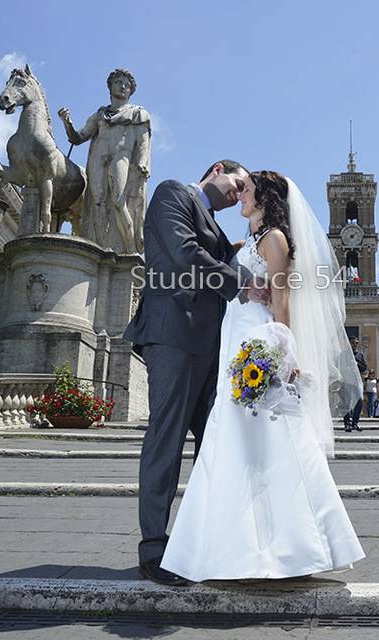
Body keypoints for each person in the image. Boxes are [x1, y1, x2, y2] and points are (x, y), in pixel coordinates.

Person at [161, 171, 365, 582]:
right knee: (235, 440)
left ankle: (290, 548)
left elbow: (283, 298)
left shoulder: (274, 240)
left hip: (257, 342)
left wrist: (280, 351)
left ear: (267, 198)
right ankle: (233, 547)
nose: (241, 196)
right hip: (235, 342)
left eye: (248, 191)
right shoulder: (251, 242)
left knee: (269, 440)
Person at [123, 159, 265, 586]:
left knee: (215, 447)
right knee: (166, 438)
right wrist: (242, 281)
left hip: (209, 347)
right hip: (173, 336)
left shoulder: (218, 228)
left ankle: (205, 543)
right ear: (217, 169)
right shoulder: (172, 192)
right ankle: (153, 549)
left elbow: (214, 253)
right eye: (238, 184)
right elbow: (186, 252)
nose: (239, 194)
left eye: (244, 192)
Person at [58, 69, 151, 252]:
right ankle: (99, 251)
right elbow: (78, 138)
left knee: (118, 202)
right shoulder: (100, 114)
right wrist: (66, 122)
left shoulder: (137, 113)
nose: (123, 86)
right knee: (97, 204)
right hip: (97, 160)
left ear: (131, 90)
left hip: (120, 158)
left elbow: (143, 143)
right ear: (110, 87)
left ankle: (130, 249)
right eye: (118, 82)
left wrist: (142, 163)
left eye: (127, 84)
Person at [343, 336, 366, 431]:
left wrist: (357, 364)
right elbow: (339, 366)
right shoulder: (343, 354)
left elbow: (364, 367)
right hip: (347, 380)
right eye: (353, 342)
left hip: (357, 381)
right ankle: (347, 424)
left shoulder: (360, 355)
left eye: (356, 343)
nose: (354, 345)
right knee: (346, 403)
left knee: (359, 401)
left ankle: (355, 423)